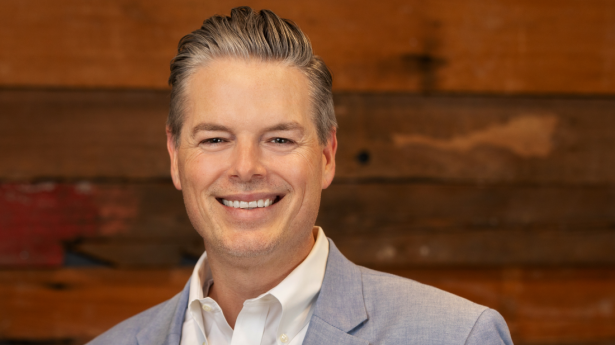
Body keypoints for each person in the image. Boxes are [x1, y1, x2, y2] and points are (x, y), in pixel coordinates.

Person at [89, 6, 513, 345]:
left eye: (279, 140)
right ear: (174, 155)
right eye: (216, 139)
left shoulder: (459, 336)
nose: (245, 168)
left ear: (327, 154)